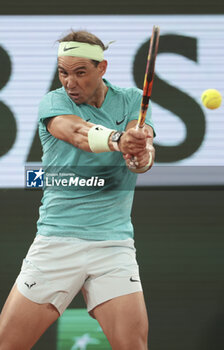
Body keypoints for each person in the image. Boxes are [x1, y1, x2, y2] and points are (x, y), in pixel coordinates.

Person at [0, 30, 155, 350]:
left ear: (102, 68)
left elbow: (143, 154)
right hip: (58, 242)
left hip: (113, 245)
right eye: (63, 72)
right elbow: (78, 134)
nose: (70, 82)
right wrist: (117, 141)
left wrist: (140, 154)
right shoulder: (54, 102)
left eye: (80, 72)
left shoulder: (131, 101)